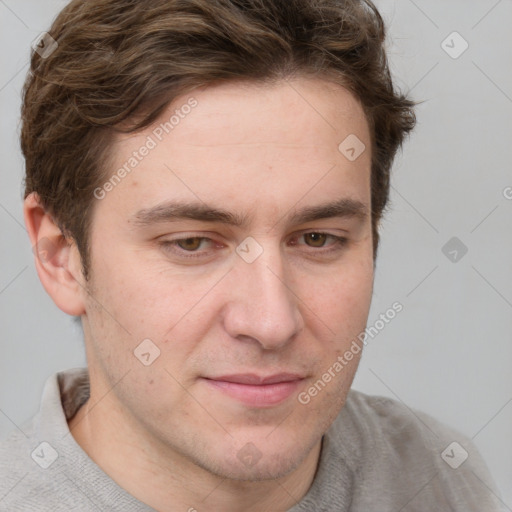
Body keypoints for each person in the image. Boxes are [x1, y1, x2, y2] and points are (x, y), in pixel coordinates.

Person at [0, 0, 505, 510]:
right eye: (192, 243)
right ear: (60, 255)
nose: (271, 322)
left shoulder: (439, 476)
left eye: (317, 238)